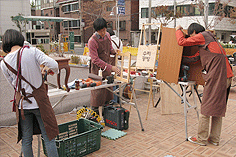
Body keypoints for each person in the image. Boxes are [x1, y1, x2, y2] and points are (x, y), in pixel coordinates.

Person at [0, 29, 59, 157]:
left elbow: (13, 85)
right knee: (49, 137)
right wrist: (46, 70)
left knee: (26, 140)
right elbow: (54, 64)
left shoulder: (4, 63)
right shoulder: (32, 51)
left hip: (22, 105)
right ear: (19, 38)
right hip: (40, 103)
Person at [175, 23, 233, 146]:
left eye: (191, 36)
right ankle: (214, 139)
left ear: (195, 32)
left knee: (206, 108)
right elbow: (195, 58)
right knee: (217, 109)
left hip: (218, 77)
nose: (192, 39)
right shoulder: (210, 41)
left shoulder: (202, 35)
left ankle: (201, 139)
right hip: (227, 76)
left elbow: (181, 42)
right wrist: (177, 59)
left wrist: (178, 30)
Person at [88, 18, 121, 115]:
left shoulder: (107, 35)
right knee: (97, 95)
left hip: (107, 69)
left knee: (107, 93)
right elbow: (95, 59)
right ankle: (95, 118)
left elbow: (109, 48)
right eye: (100, 31)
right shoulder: (92, 41)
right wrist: (111, 67)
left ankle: (108, 117)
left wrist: (114, 51)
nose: (103, 33)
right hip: (97, 70)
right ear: (96, 30)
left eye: (104, 30)